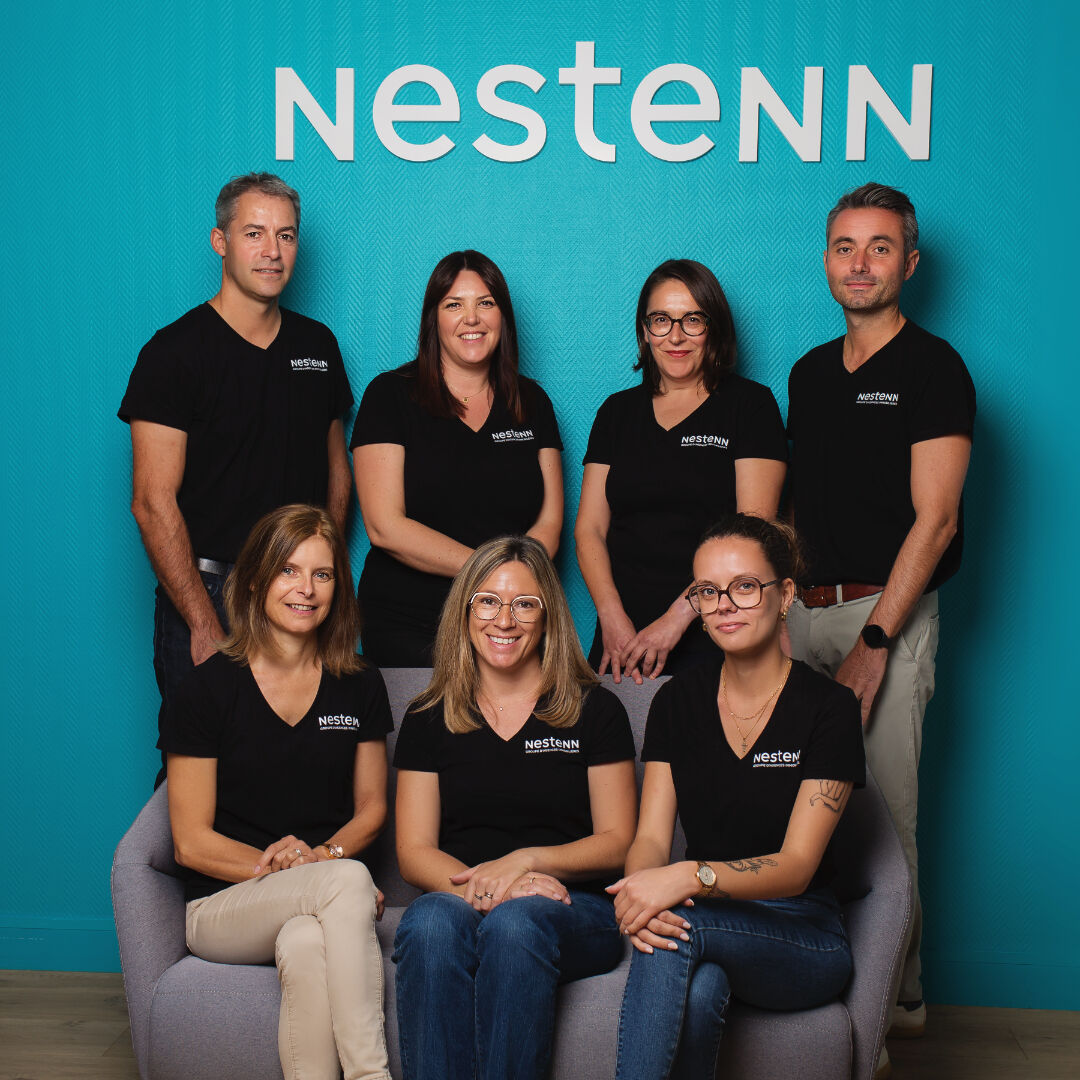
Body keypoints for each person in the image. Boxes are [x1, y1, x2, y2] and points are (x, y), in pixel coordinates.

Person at [786, 183, 975, 1042]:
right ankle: (811, 990)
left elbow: (936, 521)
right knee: (797, 810)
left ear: (911, 262)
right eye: (845, 247)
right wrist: (784, 597)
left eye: (879, 247)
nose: (860, 264)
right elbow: (800, 503)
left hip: (883, 619)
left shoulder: (934, 368)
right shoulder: (808, 374)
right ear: (827, 260)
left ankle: (895, 1011)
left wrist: (874, 641)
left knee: (886, 823)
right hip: (802, 616)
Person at [610, 514, 865, 1079]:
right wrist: (642, 895)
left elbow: (797, 867)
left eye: (745, 586)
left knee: (682, 932)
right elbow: (650, 837)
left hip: (804, 934)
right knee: (700, 988)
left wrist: (688, 877)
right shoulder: (676, 702)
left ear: (785, 595)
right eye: (707, 591)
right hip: (707, 919)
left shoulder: (830, 709)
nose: (724, 605)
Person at [119, 172, 354, 775]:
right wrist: (202, 621)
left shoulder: (317, 346)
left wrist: (323, 577)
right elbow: (151, 501)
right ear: (220, 241)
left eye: (286, 235)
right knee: (200, 771)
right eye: (254, 233)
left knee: (299, 768)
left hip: (299, 596)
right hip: (210, 596)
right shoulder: (173, 354)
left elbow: (337, 473)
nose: (272, 251)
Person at [391, 535, 638, 1080]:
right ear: (465, 612)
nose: (504, 619)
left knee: (516, 925)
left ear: (548, 617)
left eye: (525, 604)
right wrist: (496, 888)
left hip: (574, 907)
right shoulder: (428, 717)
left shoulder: (595, 710)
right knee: (428, 922)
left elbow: (618, 841)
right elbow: (413, 851)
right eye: (488, 601)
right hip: (460, 897)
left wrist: (526, 861)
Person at [160, 504, 392, 1080]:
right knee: (347, 882)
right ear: (255, 581)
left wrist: (320, 863)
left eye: (322, 573)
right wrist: (309, 875)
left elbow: (372, 808)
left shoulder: (360, 683)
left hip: (318, 889)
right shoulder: (205, 691)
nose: (306, 589)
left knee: (307, 942)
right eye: (289, 570)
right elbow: (190, 842)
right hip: (222, 904)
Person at [575, 259, 787, 684]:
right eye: (661, 320)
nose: (675, 336)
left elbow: (753, 534)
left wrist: (676, 619)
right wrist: (612, 616)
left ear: (714, 327)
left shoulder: (751, 407)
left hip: (719, 626)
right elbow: (589, 529)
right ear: (644, 330)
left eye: (692, 320)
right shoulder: (616, 413)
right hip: (622, 639)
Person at [350, 250, 563, 666]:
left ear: (503, 316)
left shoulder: (532, 401)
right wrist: (496, 577)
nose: (472, 319)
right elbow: (384, 526)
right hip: (410, 621)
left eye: (486, 303)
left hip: (510, 623)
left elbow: (550, 522)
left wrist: (505, 597)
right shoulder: (390, 395)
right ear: (434, 318)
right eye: (454, 305)